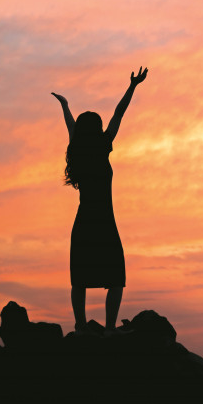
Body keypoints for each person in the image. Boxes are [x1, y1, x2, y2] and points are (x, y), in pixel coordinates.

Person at [52, 66, 148, 332]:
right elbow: (119, 113)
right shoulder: (103, 145)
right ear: (97, 129)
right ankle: (108, 330)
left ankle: (81, 327)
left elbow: (71, 126)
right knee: (115, 276)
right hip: (104, 221)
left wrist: (65, 105)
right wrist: (132, 86)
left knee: (80, 278)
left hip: (84, 221)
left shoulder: (78, 150)